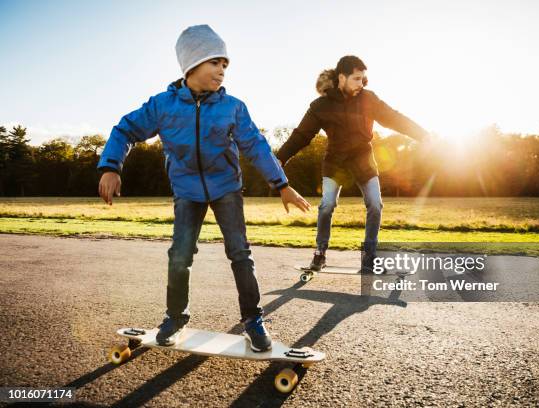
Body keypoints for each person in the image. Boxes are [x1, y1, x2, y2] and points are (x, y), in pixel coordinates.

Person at [97, 25, 310, 351]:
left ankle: (253, 320)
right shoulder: (163, 106)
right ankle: (175, 317)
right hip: (186, 190)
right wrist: (112, 167)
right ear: (192, 64)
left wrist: (281, 184)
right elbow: (125, 130)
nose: (222, 70)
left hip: (226, 187)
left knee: (240, 253)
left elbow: (256, 146)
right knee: (180, 256)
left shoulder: (232, 107)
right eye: (215, 62)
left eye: (225, 64)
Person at [277, 55, 429, 273]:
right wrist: (281, 157)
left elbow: (394, 118)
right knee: (327, 205)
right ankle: (320, 254)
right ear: (342, 77)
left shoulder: (368, 99)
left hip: (363, 159)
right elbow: (301, 135)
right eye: (357, 79)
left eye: (363, 79)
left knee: (375, 204)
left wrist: (422, 135)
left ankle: (369, 257)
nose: (362, 83)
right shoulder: (321, 106)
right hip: (335, 162)